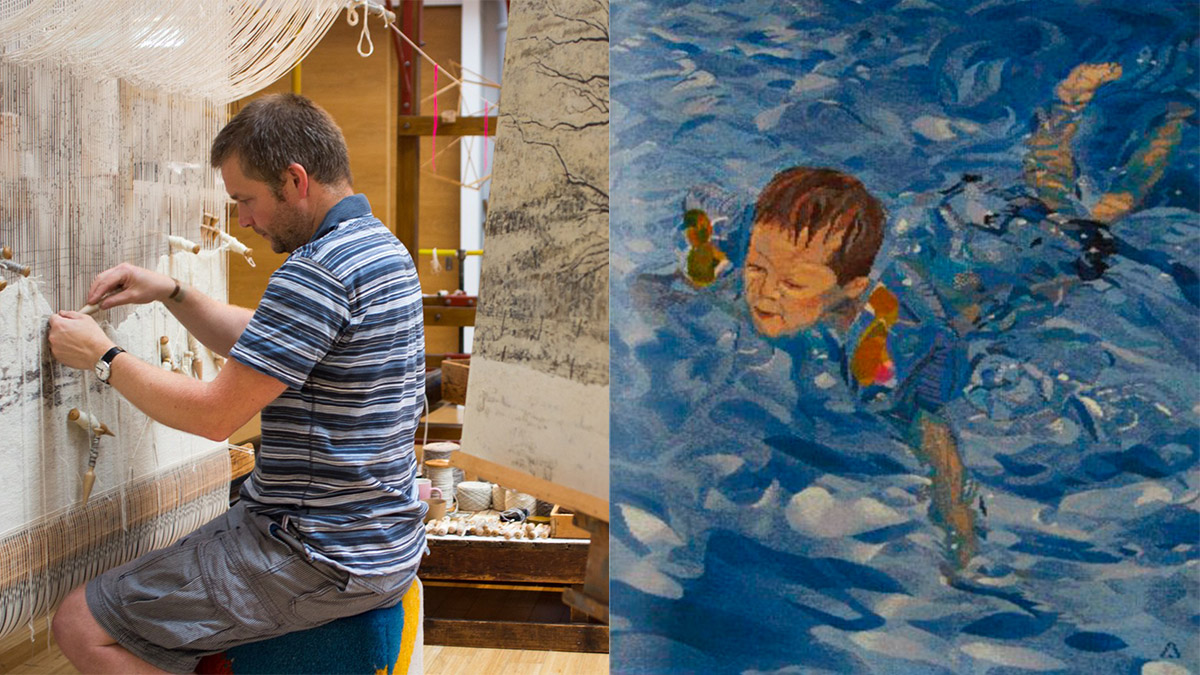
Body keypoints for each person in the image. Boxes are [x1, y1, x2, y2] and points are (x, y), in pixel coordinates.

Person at [46, 93, 426, 674]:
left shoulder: (316, 271)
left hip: (313, 553)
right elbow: (271, 343)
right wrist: (172, 291)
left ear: (295, 180)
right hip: (379, 544)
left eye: (246, 200)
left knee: (78, 623)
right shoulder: (381, 250)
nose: (244, 221)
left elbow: (214, 416)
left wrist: (102, 356)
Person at [741, 166, 980, 571]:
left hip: (992, 283)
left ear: (850, 290)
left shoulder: (878, 358)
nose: (764, 292)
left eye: (794, 284)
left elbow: (940, 450)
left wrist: (962, 545)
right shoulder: (771, 272)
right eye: (755, 268)